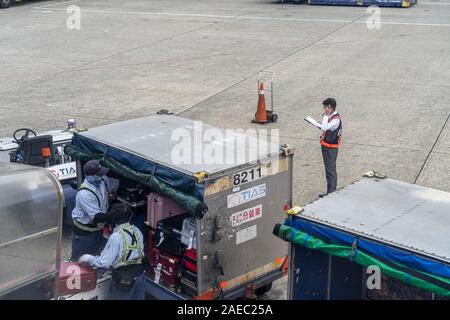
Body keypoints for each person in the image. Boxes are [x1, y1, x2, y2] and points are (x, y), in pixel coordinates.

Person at [79, 205, 145, 300]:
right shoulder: (137, 230)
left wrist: (89, 258)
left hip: (124, 280)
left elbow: (105, 262)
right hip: (139, 276)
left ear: (113, 219)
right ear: (129, 217)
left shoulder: (116, 237)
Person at [70, 159, 119, 260]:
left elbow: (118, 184)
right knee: (80, 259)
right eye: (99, 174)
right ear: (92, 176)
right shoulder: (84, 194)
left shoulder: (102, 181)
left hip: (97, 229)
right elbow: (97, 217)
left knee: (95, 254)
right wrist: (116, 214)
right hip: (84, 233)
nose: (102, 176)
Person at [305, 98, 342, 197]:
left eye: (325, 107)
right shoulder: (332, 117)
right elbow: (324, 128)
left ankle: (331, 194)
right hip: (326, 147)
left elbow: (324, 127)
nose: (324, 110)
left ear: (330, 107)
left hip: (331, 149)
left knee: (330, 171)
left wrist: (325, 116)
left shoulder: (336, 120)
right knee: (328, 171)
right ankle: (330, 192)